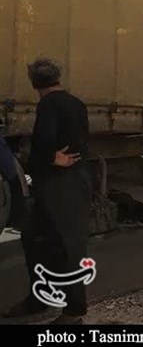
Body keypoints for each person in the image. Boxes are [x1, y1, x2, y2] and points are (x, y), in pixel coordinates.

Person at [3, 59, 91, 325]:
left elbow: (43, 143)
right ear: (58, 77)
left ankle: (74, 312)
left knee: (65, 246)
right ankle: (40, 297)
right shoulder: (76, 103)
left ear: (34, 83)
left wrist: (48, 160)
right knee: (37, 238)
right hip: (73, 180)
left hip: (58, 184)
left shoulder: (48, 105)